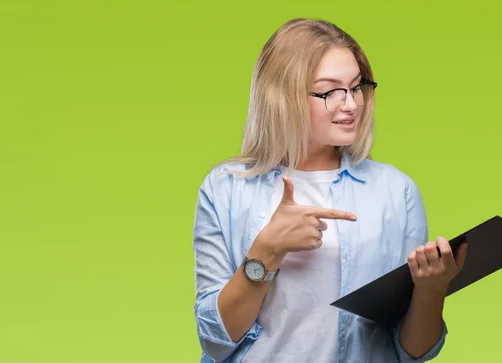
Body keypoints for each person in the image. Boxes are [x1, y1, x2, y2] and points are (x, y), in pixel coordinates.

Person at [191, 18, 468, 363]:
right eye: (330, 91)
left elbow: (411, 352)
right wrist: (266, 250)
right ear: (282, 96)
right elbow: (215, 342)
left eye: (356, 87)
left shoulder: (396, 191)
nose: (351, 104)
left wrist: (431, 291)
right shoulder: (225, 189)